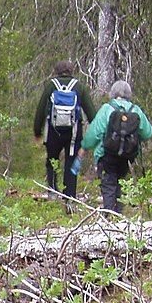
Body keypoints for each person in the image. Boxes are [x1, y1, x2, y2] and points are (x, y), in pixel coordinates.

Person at [78, 80, 152, 214]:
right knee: (119, 185)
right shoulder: (135, 110)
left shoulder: (107, 109)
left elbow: (95, 132)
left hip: (106, 154)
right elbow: (148, 132)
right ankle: (118, 215)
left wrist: (84, 147)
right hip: (127, 156)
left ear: (112, 93)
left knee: (108, 185)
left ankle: (109, 217)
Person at [32, 60, 96, 205]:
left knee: (51, 161)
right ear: (70, 71)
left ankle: (53, 194)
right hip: (73, 133)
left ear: (57, 71)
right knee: (71, 164)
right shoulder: (79, 86)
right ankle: (70, 200)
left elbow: (41, 110)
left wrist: (37, 131)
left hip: (53, 131)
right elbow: (91, 114)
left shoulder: (51, 85)